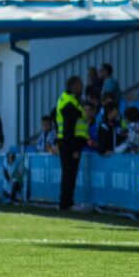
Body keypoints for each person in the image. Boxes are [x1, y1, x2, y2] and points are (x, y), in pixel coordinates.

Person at [56, 76, 87, 211]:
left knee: (68, 174)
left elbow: (54, 115)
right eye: (80, 85)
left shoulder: (66, 99)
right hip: (70, 144)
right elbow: (69, 128)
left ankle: (66, 202)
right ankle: (67, 203)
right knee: (70, 174)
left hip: (65, 142)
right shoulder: (70, 103)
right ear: (74, 86)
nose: (82, 87)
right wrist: (74, 149)